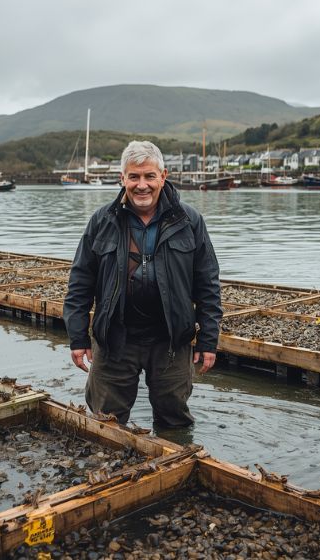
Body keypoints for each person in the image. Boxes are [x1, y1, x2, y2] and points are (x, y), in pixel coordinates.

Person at [63, 140, 222, 428]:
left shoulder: (190, 220)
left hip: (171, 339)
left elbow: (208, 284)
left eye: (149, 176)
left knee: (174, 417)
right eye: (134, 177)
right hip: (115, 339)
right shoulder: (101, 221)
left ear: (164, 176)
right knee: (105, 421)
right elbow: (80, 282)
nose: (142, 185)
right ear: (122, 179)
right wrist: (77, 337)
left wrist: (208, 339)